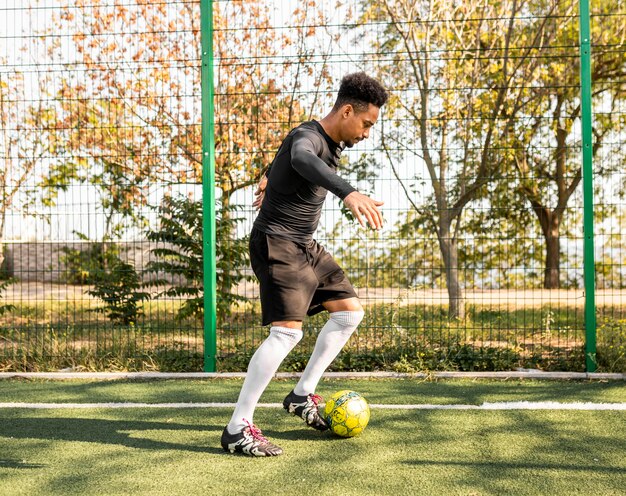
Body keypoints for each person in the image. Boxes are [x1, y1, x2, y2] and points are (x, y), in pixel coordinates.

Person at [221, 72, 388, 457]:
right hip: (277, 242)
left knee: (348, 315)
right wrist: (348, 192)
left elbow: (291, 161)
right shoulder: (309, 137)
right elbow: (299, 155)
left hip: (304, 245)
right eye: (365, 124)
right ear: (347, 111)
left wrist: (268, 174)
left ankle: (301, 395)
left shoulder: (326, 144)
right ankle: (237, 428)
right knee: (286, 334)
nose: (366, 133)